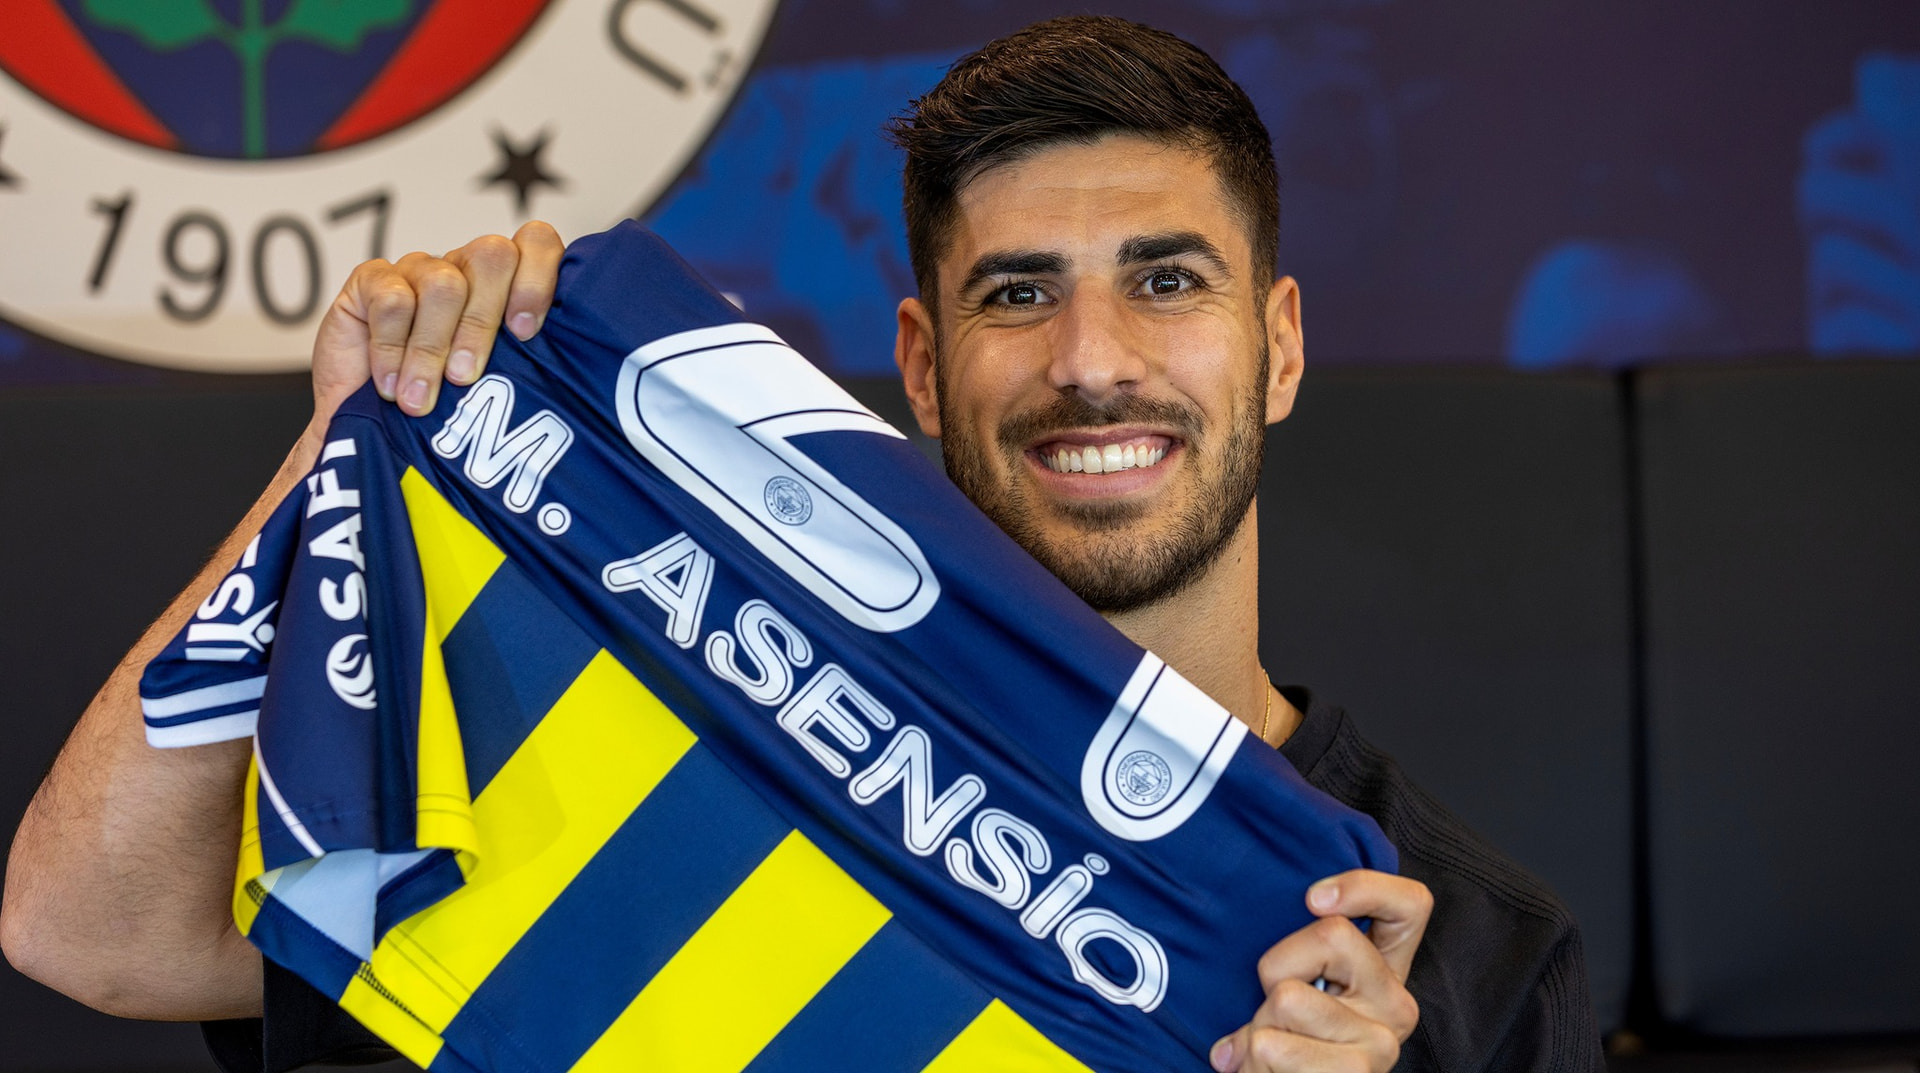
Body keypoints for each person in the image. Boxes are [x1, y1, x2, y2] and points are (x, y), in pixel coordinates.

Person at [2, 16, 1600, 1073]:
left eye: (1167, 281)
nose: (1093, 361)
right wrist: (358, 443)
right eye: (1018, 293)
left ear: (1281, 345)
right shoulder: (656, 704)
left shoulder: (1470, 955)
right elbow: (85, 930)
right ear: (922, 365)